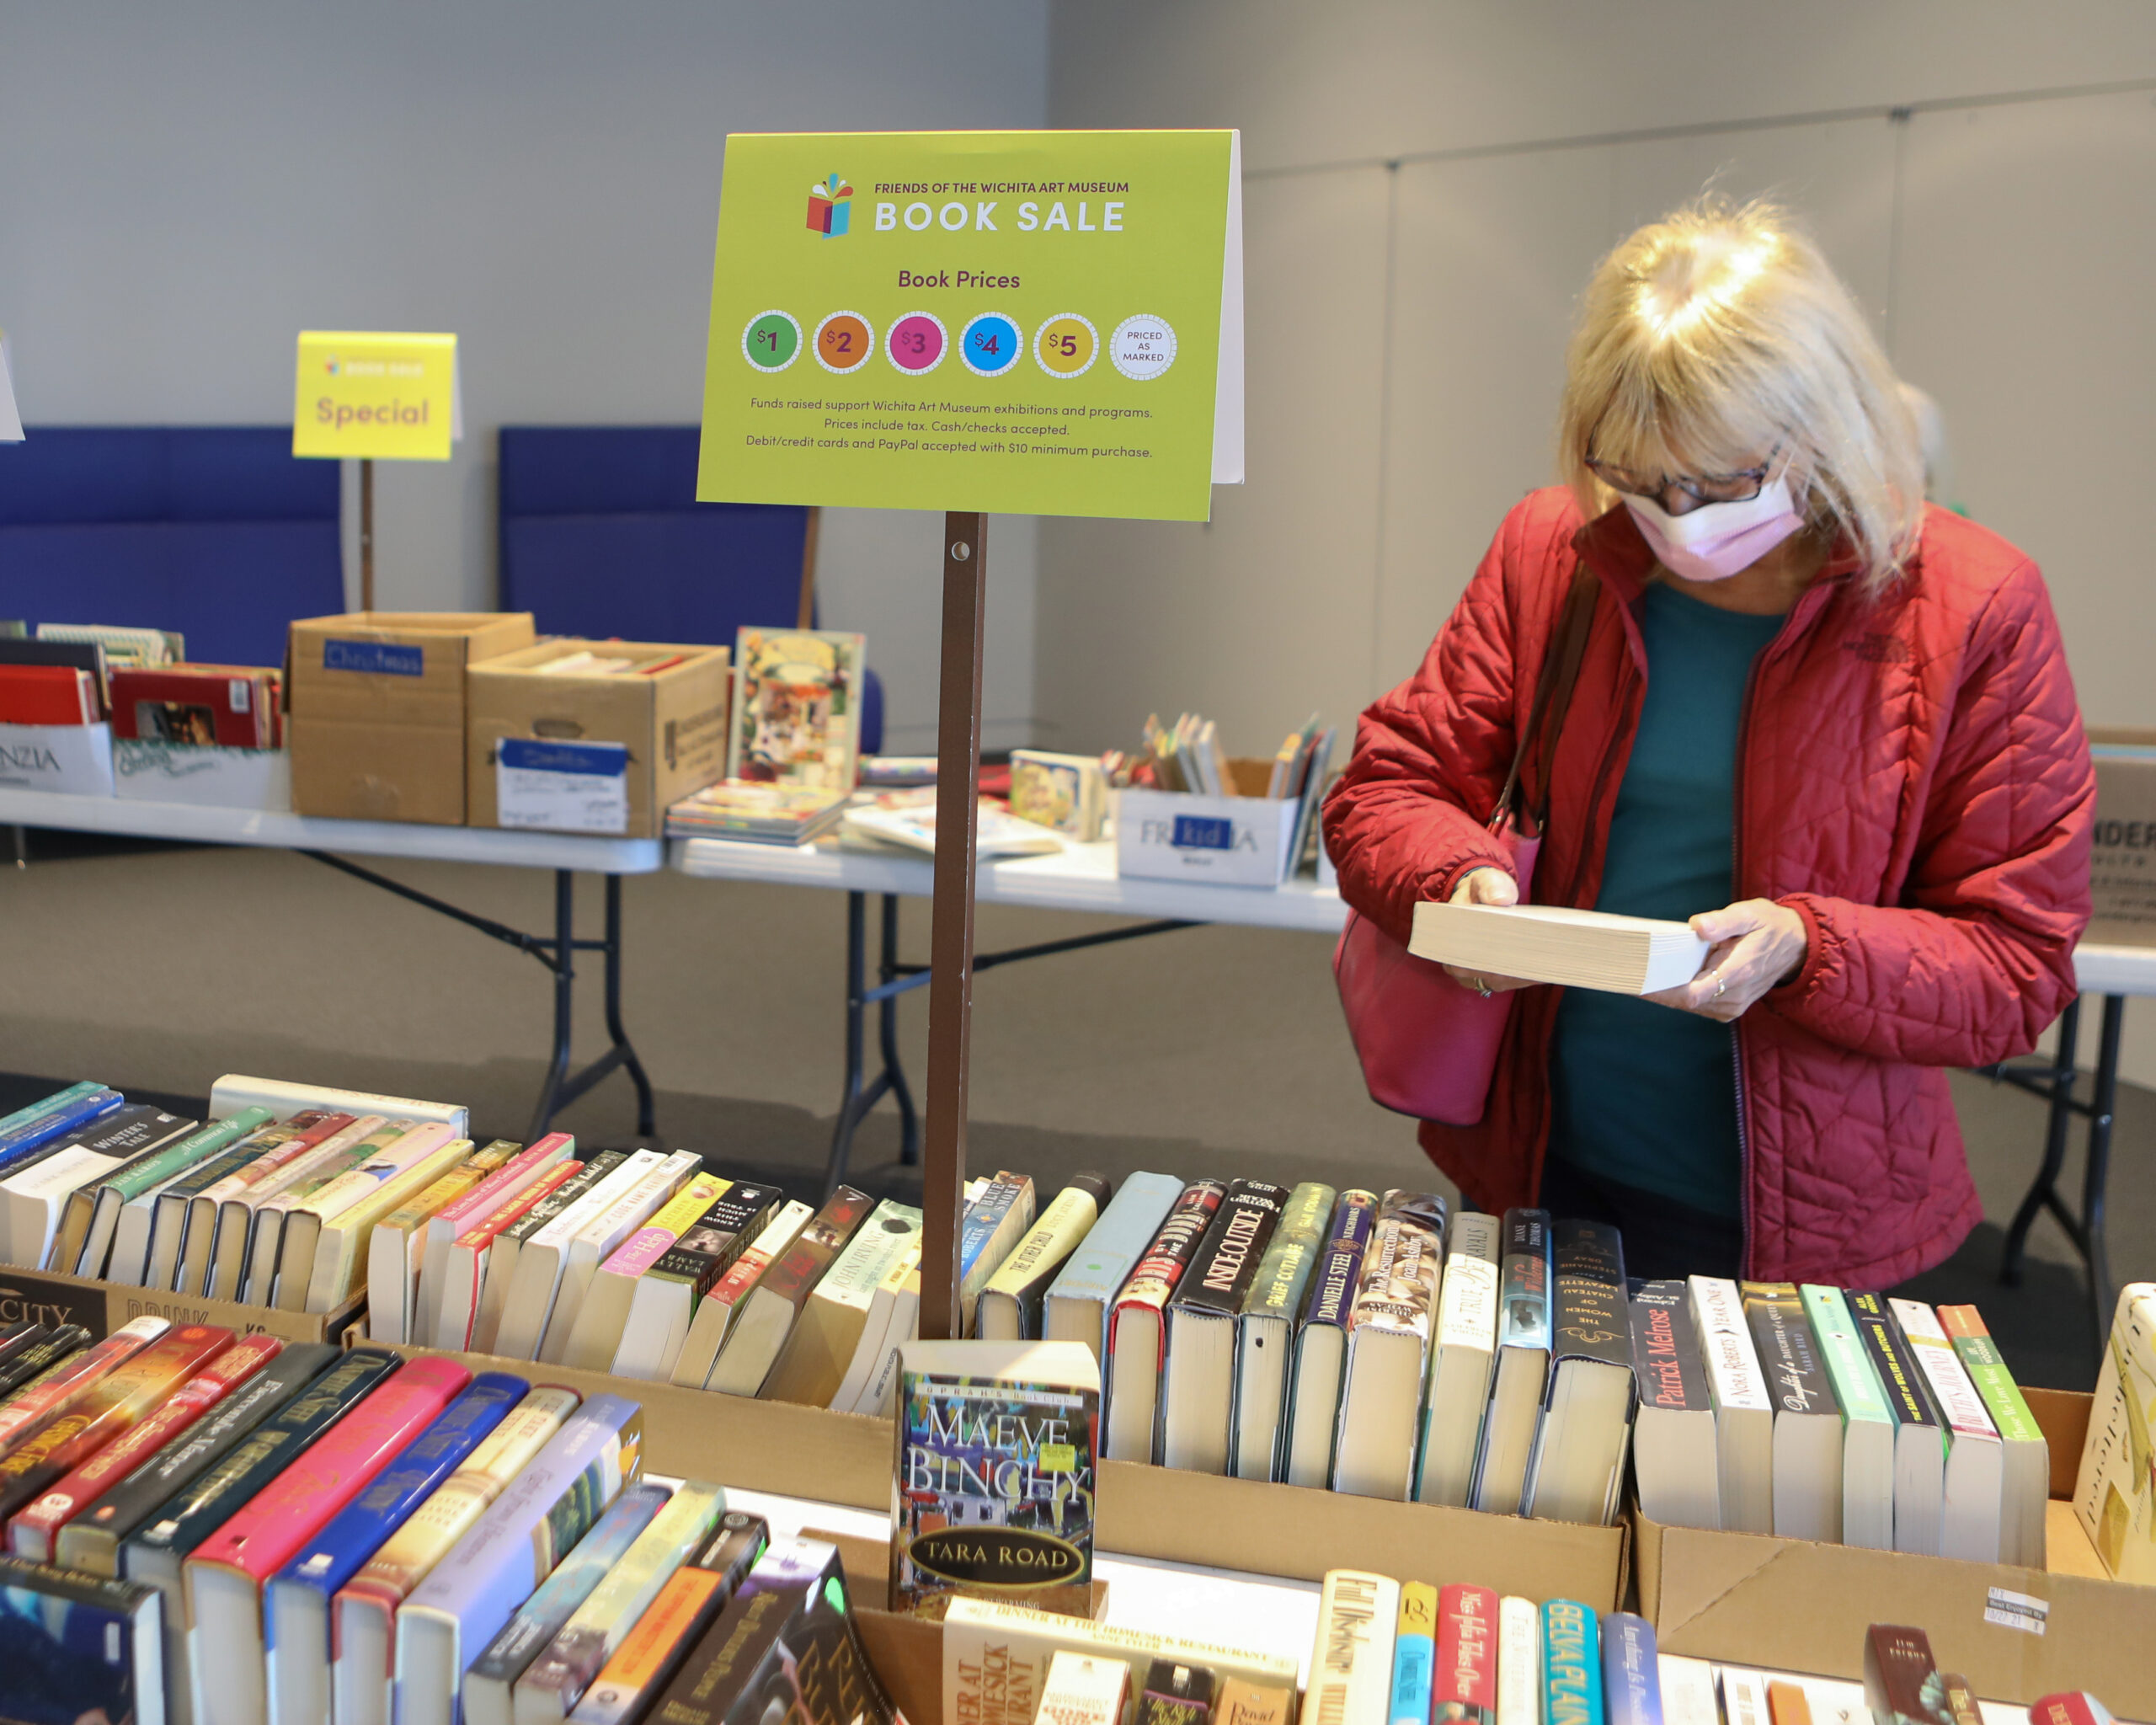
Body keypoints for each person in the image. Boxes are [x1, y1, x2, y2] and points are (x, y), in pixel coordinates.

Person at [1324, 200, 2094, 1284]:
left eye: (1721, 480)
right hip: (1536, 1153)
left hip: (1803, 1211)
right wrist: (1458, 880)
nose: (1678, 518)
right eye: (1637, 478)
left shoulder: (1968, 606)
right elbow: (1387, 784)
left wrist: (1808, 947)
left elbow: (2016, 965)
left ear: (1821, 424)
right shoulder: (1555, 548)